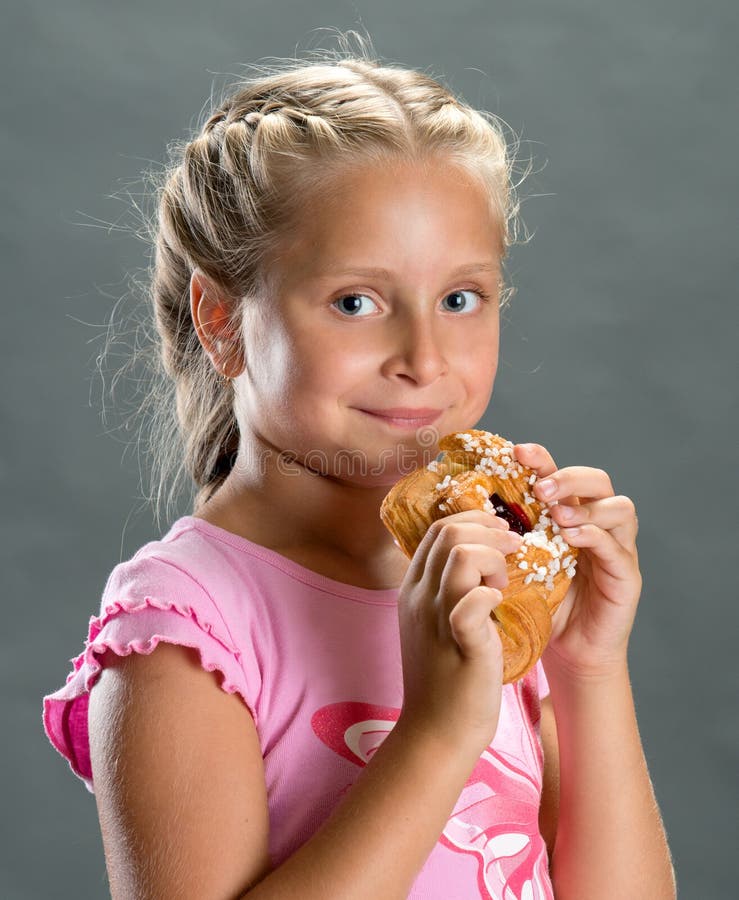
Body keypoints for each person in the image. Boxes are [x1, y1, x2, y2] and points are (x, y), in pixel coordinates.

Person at [42, 33, 676, 900]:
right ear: (221, 320)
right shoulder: (187, 626)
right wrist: (437, 733)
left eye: (460, 298)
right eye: (354, 301)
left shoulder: (490, 586)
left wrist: (587, 668)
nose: (423, 358)